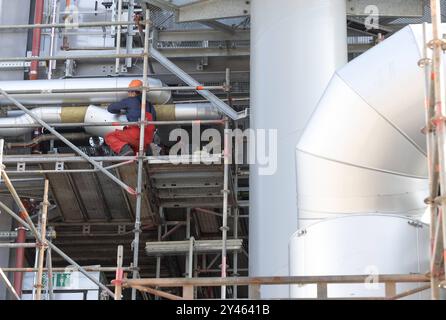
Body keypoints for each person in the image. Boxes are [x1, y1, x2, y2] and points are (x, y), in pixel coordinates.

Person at [105, 79, 157, 156]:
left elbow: (110, 108)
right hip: (147, 139)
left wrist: (119, 111)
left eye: (131, 91)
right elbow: (154, 121)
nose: (129, 93)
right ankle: (144, 154)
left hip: (135, 134)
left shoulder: (130, 101)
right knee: (135, 153)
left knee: (109, 136)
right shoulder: (150, 106)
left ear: (135, 92)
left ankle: (124, 150)